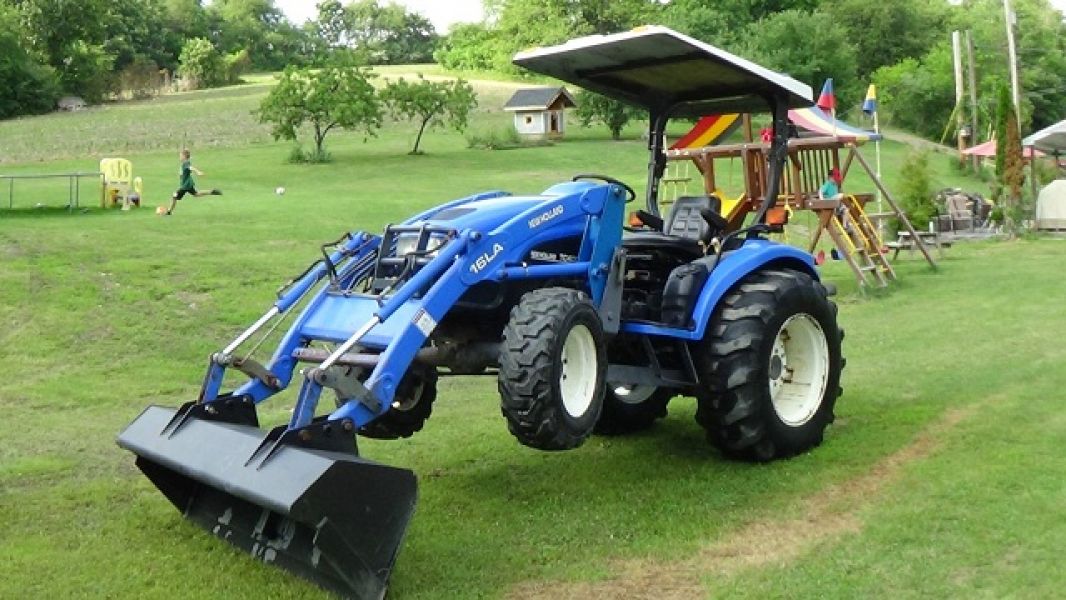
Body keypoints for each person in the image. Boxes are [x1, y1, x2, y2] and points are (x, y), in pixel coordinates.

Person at [166, 149, 221, 215]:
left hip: (185, 186)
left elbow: (191, 168)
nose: (179, 157)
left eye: (180, 156)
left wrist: (198, 172)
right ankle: (211, 192)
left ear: (184, 156)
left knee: (174, 196)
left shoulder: (185, 163)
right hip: (188, 184)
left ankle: (169, 211)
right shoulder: (185, 163)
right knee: (196, 194)